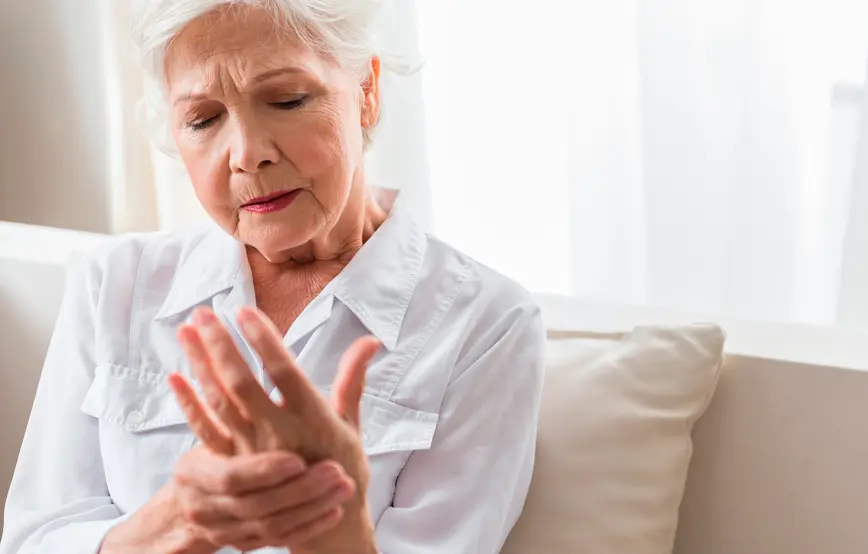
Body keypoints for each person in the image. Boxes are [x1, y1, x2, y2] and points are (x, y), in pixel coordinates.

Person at [0, 2, 545, 553]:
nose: (247, 154)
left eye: (287, 100)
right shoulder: (114, 284)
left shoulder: (486, 323)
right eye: (202, 120)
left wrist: (339, 528)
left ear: (366, 91)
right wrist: (175, 522)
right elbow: (34, 539)